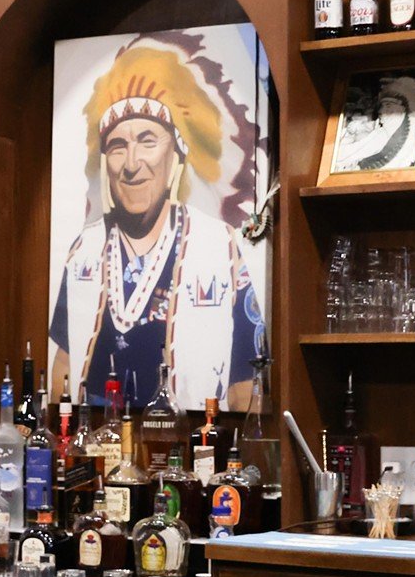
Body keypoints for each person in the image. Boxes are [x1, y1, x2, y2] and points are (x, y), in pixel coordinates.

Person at [50, 44, 265, 412]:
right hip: (101, 451)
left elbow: (246, 383)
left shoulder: (217, 247)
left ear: (176, 153)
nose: (131, 163)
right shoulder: (86, 248)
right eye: (118, 146)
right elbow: (65, 365)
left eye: (147, 141)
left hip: (190, 454)